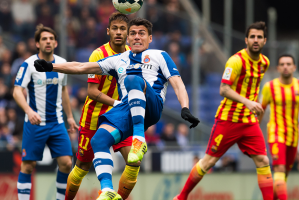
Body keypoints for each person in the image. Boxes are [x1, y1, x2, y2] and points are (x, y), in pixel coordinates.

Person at [34, 18, 200, 200]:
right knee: (98, 140)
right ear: (128, 38)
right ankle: (107, 191)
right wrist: (51, 66)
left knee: (132, 79)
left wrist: (185, 107)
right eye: (133, 33)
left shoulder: (160, 56)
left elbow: (177, 83)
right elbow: (81, 66)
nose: (137, 37)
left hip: (151, 106)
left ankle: (139, 139)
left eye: (141, 33)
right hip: (125, 110)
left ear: (150, 38)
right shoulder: (117, 60)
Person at [173, 21, 274, 200]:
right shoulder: (236, 61)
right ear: (246, 40)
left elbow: (252, 88)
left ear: (264, 40)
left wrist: (256, 108)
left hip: (249, 122)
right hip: (228, 120)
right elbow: (223, 89)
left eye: (259, 37)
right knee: (208, 162)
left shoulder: (264, 63)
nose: (256, 40)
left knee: (263, 161)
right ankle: (182, 196)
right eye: (252, 37)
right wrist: (247, 103)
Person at [64, 12, 141, 200]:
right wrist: (116, 102)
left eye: (123, 29)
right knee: (82, 167)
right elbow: (91, 91)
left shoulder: (134, 54)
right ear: (108, 31)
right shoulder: (98, 54)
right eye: (115, 28)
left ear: (128, 32)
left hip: (119, 119)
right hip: (93, 117)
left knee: (134, 162)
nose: (118, 32)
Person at [13, 24, 78, 200]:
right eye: (44, 39)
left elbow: (64, 90)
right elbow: (17, 91)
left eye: (51, 39)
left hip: (57, 123)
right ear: (37, 44)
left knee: (66, 163)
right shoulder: (28, 64)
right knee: (28, 165)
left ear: (56, 43)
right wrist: (29, 110)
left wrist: (70, 117)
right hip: (35, 123)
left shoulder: (62, 63)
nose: (48, 41)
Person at [260, 54, 299, 200]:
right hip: (276, 133)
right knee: (279, 169)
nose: (285, 67)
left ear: (294, 67)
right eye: (282, 64)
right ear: (278, 68)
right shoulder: (269, 87)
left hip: (293, 135)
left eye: (288, 64)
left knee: (283, 177)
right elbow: (260, 111)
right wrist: (252, 132)